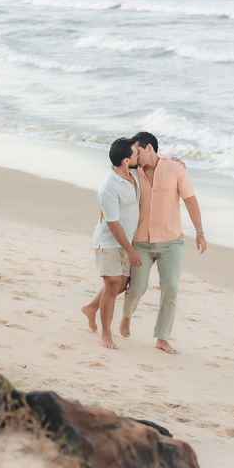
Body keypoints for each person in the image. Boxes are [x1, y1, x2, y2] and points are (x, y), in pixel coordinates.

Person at [120, 131, 206, 354]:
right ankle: (126, 316)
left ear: (149, 148)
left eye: (138, 151)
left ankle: (162, 338)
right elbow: (114, 170)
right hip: (141, 242)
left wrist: (200, 233)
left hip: (171, 242)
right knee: (137, 288)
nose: (135, 156)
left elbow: (191, 201)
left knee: (171, 289)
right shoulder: (133, 171)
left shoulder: (175, 168)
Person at [80, 137, 143, 350]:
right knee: (113, 284)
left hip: (127, 239)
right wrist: (130, 251)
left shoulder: (134, 174)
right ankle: (106, 334)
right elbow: (113, 224)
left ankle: (91, 308)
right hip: (109, 241)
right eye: (135, 154)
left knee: (121, 285)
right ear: (126, 160)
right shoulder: (109, 186)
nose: (139, 156)